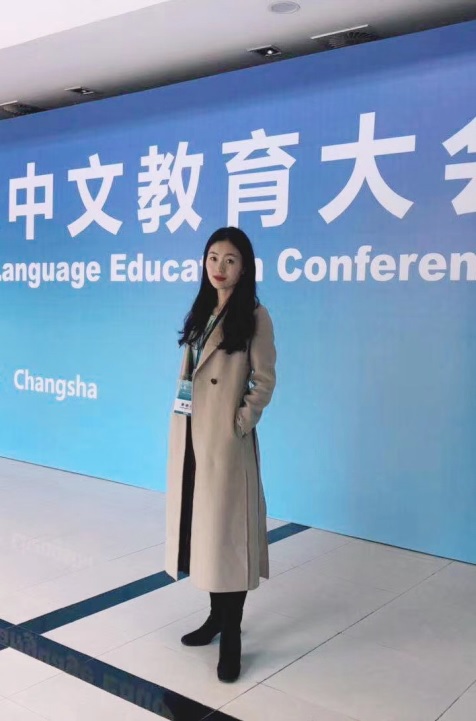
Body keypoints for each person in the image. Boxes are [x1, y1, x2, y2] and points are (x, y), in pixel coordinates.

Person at [165, 226, 277, 683]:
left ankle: (231, 633)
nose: (219, 267)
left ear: (244, 267)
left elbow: (264, 381)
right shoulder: (202, 310)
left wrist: (239, 424)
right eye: (213, 257)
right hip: (192, 437)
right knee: (205, 533)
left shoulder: (255, 315)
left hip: (225, 444)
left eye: (230, 260)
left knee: (228, 537)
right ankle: (215, 617)